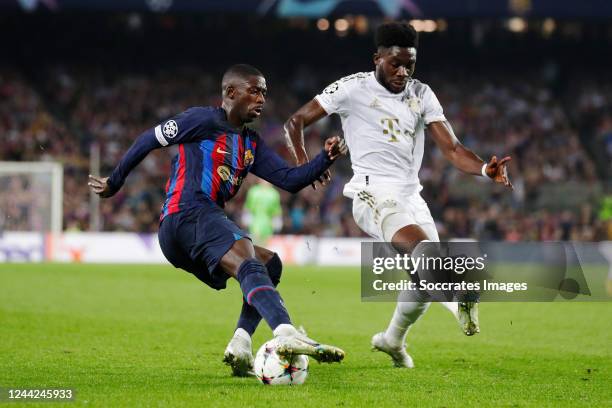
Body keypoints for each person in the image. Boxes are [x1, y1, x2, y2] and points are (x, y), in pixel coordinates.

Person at [89, 64, 346, 376]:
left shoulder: (250, 143)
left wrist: (325, 158)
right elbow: (149, 138)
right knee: (248, 258)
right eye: (254, 90)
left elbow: (289, 180)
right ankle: (285, 333)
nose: (261, 98)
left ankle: (240, 344)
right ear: (230, 93)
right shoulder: (202, 120)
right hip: (187, 213)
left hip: (193, 226)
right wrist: (115, 181)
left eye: (264, 91)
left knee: (269, 264)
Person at [284, 22, 512, 367]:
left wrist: (484, 170)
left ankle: (392, 340)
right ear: (377, 58)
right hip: (371, 192)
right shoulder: (352, 88)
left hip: (411, 197)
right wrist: (304, 166)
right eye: (395, 63)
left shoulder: (421, 94)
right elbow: (295, 122)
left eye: (410, 64)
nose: (403, 72)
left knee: (423, 276)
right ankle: (459, 300)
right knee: (427, 254)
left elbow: (451, 148)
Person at [243, 178, 282, 245]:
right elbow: (248, 208)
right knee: (256, 245)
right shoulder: (253, 191)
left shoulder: (274, 193)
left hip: (268, 226)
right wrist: (246, 218)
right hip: (255, 224)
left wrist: (276, 221)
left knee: (265, 247)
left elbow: (276, 211)